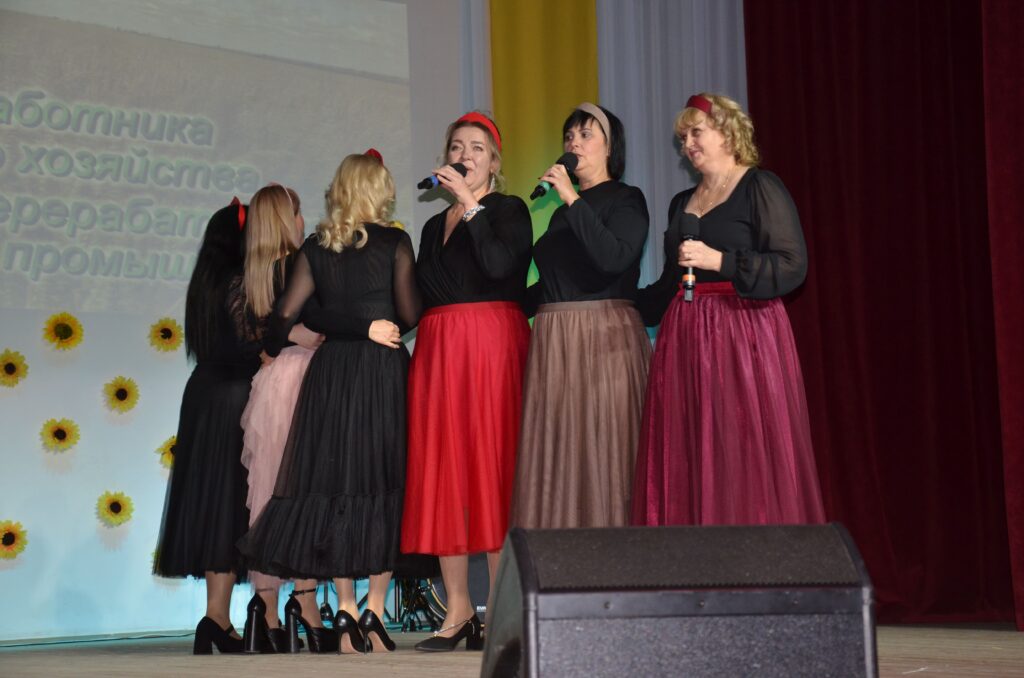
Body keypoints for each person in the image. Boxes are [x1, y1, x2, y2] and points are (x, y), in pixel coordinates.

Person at [237, 153, 421, 654]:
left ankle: (343, 609)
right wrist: (371, 324)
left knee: (339, 485)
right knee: (384, 482)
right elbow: (410, 314)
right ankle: (373, 610)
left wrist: (347, 324)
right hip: (381, 371)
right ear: (378, 191)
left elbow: (284, 318)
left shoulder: (316, 247)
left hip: (333, 374)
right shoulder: (395, 242)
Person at [632, 92, 825, 526]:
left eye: (695, 133)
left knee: (742, 449)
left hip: (744, 334)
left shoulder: (759, 187)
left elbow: (791, 266)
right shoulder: (681, 203)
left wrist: (720, 261)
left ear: (727, 132)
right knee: (690, 450)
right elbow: (667, 284)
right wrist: (620, 303)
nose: (687, 145)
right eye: (683, 138)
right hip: (684, 337)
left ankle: (752, 559)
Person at [401, 112, 532, 652]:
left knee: (493, 468)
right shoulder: (433, 227)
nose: (465, 155)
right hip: (439, 351)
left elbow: (501, 268)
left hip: (490, 345)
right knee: (445, 471)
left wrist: (472, 206)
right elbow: (424, 295)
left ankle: (500, 610)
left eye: (477, 148)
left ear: (494, 162)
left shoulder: (509, 210)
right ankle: (457, 610)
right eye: (457, 146)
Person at [511, 103, 652, 530]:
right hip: (556, 342)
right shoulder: (559, 213)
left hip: (603, 338)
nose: (574, 143)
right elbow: (551, 285)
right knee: (561, 454)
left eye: (586, 135)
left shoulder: (627, 199)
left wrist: (572, 198)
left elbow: (612, 258)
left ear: (611, 149)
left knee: (605, 451)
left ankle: (615, 557)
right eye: (569, 136)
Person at [154, 198, 255, 654]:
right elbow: (248, 345)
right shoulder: (239, 282)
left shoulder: (204, 282)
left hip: (203, 395)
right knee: (231, 505)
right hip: (233, 397)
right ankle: (217, 618)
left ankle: (217, 618)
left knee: (215, 503)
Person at [235, 185, 325, 653]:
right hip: (303, 380)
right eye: (299, 211)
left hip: (270, 384)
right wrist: (302, 333)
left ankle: (264, 608)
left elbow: (256, 332)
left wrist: (284, 336)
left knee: (268, 491)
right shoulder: (299, 264)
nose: (303, 220)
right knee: (303, 490)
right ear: (286, 219)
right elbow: (318, 322)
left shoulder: (252, 274)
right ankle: (306, 603)